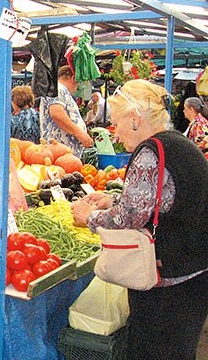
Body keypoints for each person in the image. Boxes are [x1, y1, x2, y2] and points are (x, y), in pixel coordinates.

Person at [71, 79, 208, 360]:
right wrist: (113, 200)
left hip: (168, 282)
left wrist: (90, 217)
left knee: (154, 352)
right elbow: (161, 200)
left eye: (117, 123)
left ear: (134, 119)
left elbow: (129, 218)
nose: (116, 133)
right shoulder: (178, 144)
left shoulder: (150, 151)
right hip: (193, 273)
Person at [40, 65, 93, 157]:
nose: (77, 88)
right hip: (59, 154)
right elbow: (57, 114)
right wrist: (79, 133)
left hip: (63, 155)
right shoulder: (59, 88)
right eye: (78, 83)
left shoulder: (58, 89)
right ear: (73, 78)